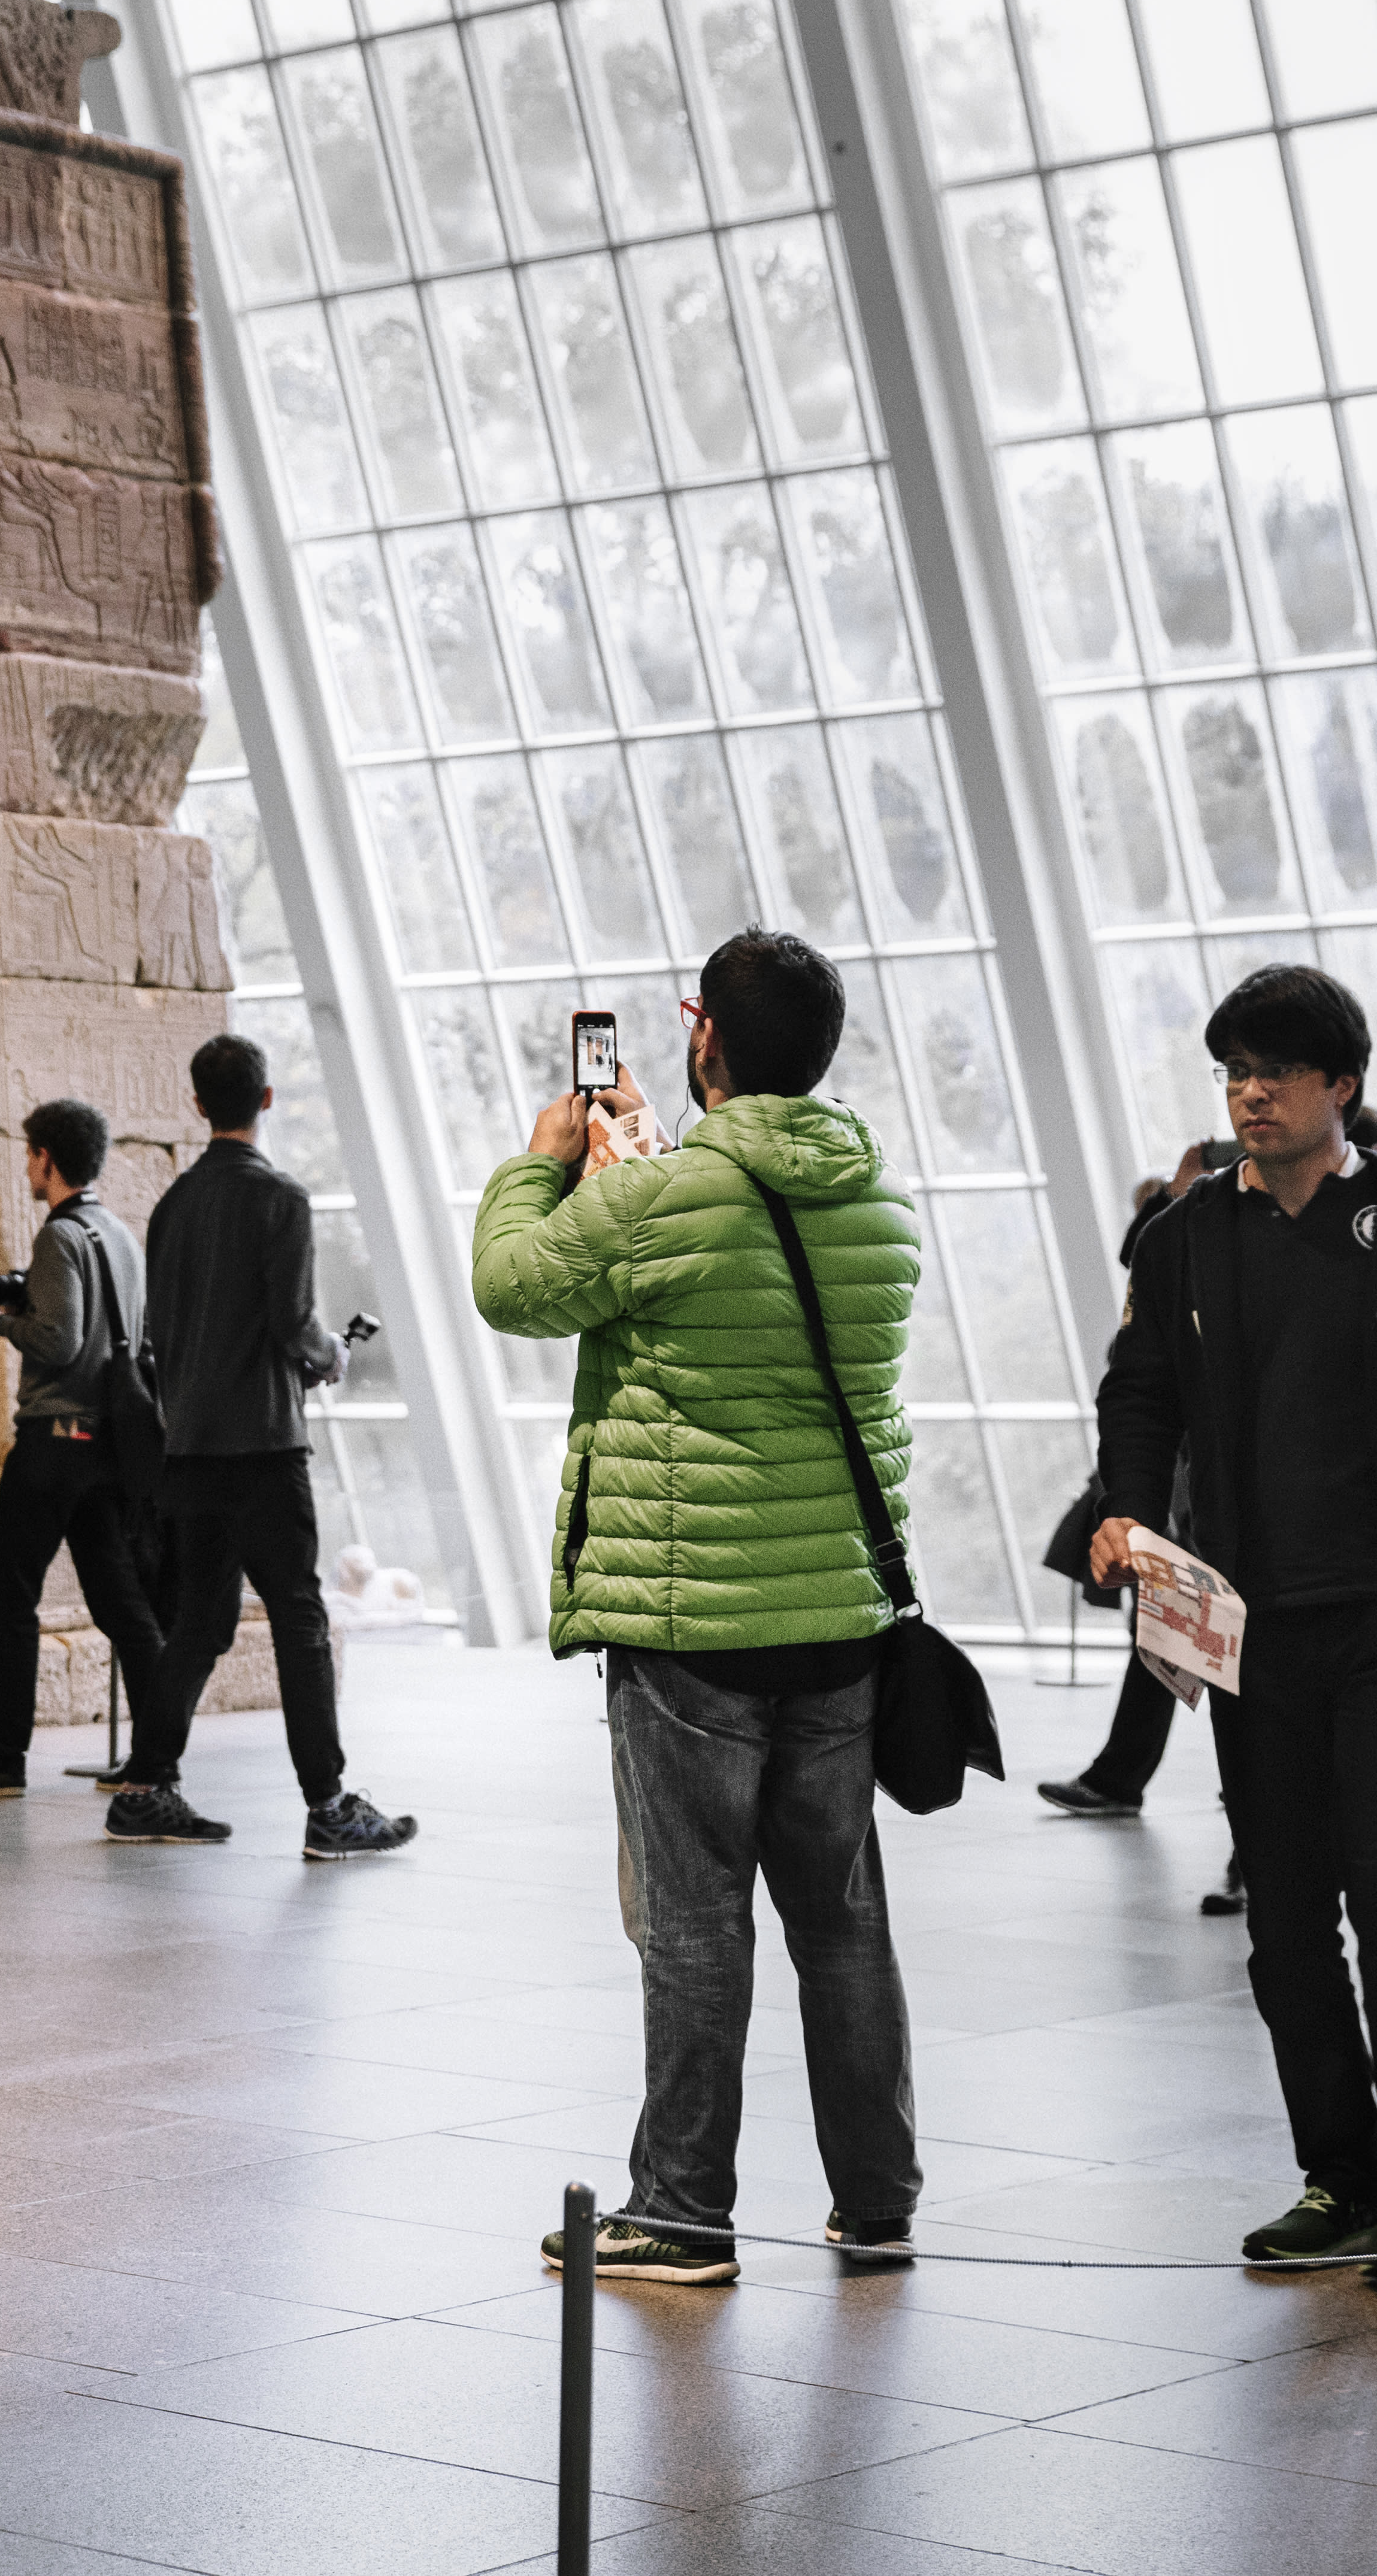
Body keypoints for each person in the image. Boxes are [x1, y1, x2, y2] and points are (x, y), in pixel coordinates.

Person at [1088, 970, 1377, 2282]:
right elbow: (1135, 1401)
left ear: (1338, 1087)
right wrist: (1127, 1512)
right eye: (1232, 1071)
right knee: (1286, 1915)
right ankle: (1333, 2173)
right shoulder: (1183, 1238)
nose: (1248, 1094)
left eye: (1274, 1073)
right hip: (1248, 1625)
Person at [482, 931, 921, 2285]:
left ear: (703, 1038)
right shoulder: (874, 1200)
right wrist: (660, 1162)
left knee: (691, 1925)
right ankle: (876, 2199)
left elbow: (513, 1286)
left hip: (691, 1623)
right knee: (841, 1920)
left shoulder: (662, 1193)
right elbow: (735, 1232)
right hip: (837, 1610)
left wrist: (545, 1159)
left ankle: (678, 2213)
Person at [135, 1032, 411, 1859]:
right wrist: (330, 1357)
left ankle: (146, 1787)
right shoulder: (281, 1200)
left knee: (199, 1624)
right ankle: (328, 1806)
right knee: (299, 1619)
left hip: (188, 1449)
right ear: (266, 1100)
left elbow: (158, 1337)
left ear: (197, 1104)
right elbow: (295, 1326)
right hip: (263, 1445)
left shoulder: (170, 1207)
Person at [0, 1101, 180, 1811]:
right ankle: (158, 1757)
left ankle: (1, 1757)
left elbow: (59, 1343)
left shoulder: (61, 1237)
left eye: (31, 1156)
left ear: (46, 1160)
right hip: (109, 1450)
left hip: (52, 1446)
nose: (28, 1168)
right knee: (123, 1608)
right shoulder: (120, 1235)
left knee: (13, 1603)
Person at [1035, 1144, 1227, 1823]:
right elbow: (1137, 1261)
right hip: (1181, 1490)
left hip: (1210, 1493)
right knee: (1169, 1634)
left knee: (1183, 1638)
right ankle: (1130, 1777)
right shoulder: (1178, 1240)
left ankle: (1133, 1778)